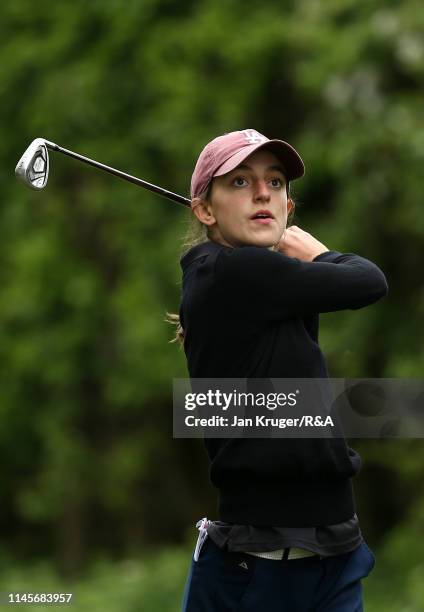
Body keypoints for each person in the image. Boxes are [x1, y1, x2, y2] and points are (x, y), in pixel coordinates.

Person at [168, 129, 388, 611]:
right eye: (241, 183)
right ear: (205, 210)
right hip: (260, 569)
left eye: (275, 182)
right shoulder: (230, 273)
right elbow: (369, 281)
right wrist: (321, 255)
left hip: (332, 554)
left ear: (289, 205)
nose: (264, 191)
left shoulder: (264, 283)